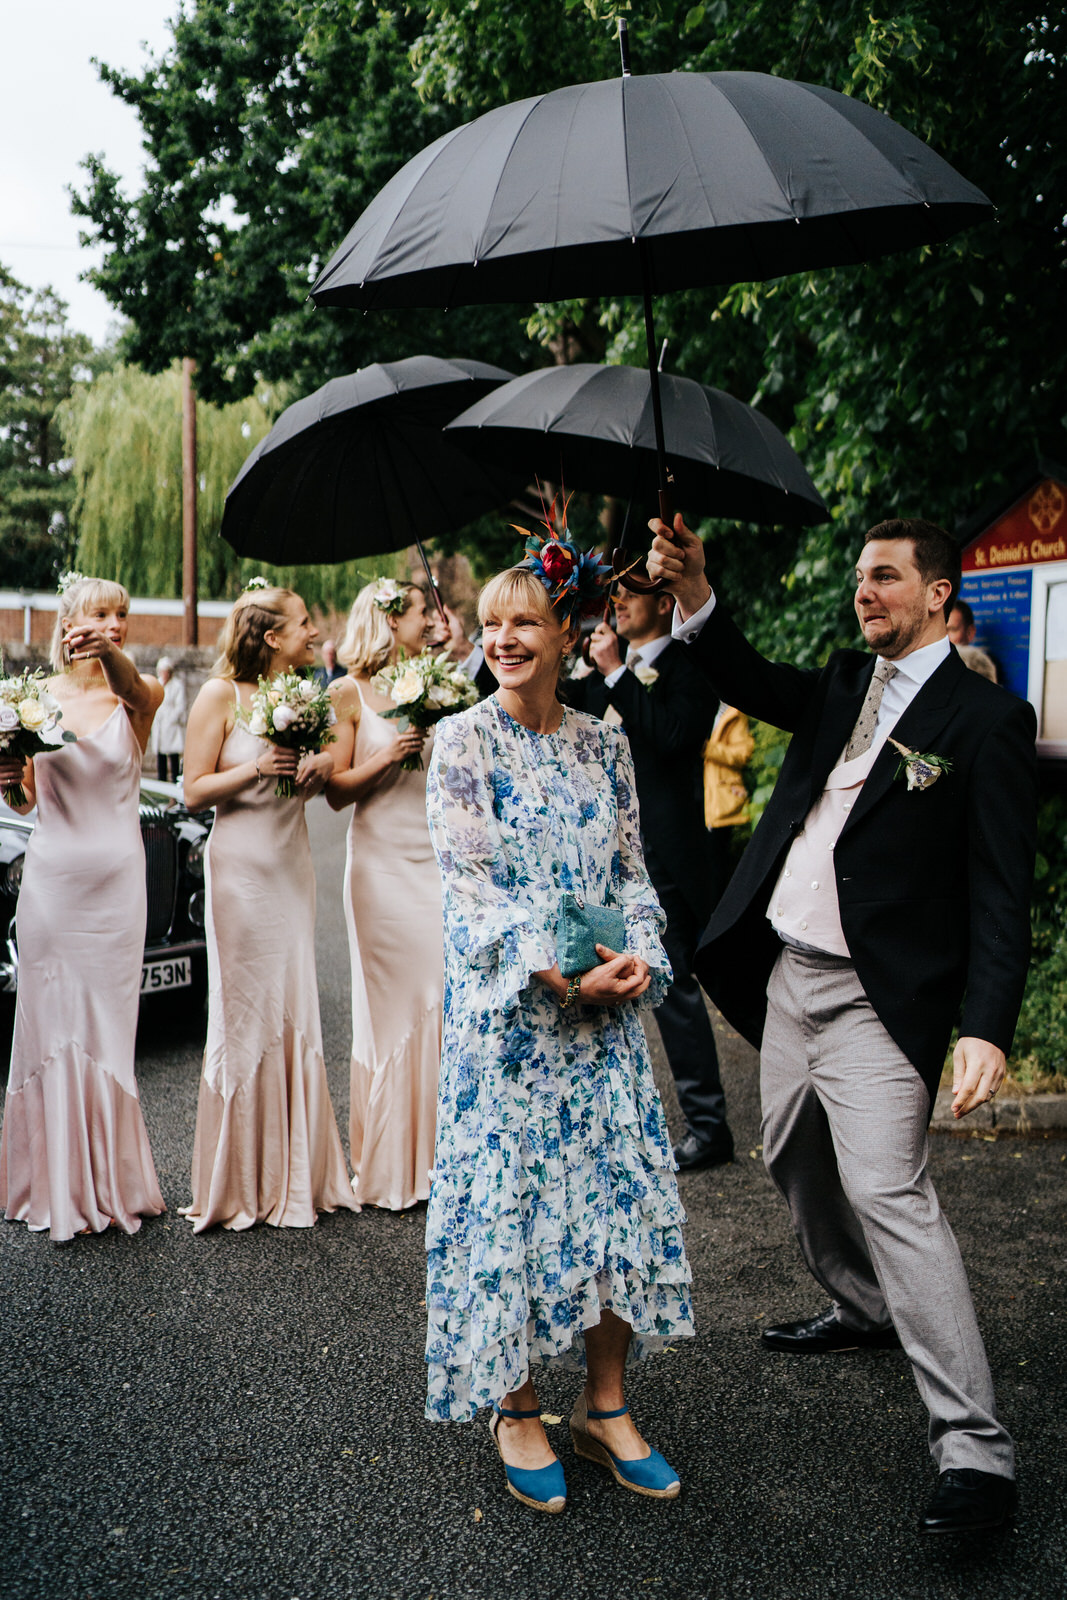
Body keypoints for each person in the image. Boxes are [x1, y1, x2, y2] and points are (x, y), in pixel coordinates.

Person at [648, 513, 1036, 1536]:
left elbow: (1001, 891)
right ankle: (861, 1305)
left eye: (884, 578)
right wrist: (691, 586)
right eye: (859, 578)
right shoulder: (834, 685)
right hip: (788, 975)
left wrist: (985, 1025)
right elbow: (739, 668)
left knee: (888, 1191)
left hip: (878, 996)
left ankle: (974, 1454)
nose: (863, 592)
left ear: (938, 595)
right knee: (787, 1154)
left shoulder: (982, 722)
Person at [424, 522, 692, 1515]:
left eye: (523, 620)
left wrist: (639, 961)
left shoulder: (603, 741)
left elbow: (629, 869)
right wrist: (556, 978)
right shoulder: (458, 742)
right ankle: (518, 1404)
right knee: (514, 1212)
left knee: (615, 1199)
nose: (503, 637)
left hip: (604, 1017)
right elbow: (473, 893)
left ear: (565, 629)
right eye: (491, 624)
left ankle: (604, 1406)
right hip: (510, 1028)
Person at [180, 583, 356, 1232]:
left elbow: (330, 761)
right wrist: (259, 767)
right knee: (245, 1010)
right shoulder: (219, 695)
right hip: (241, 872)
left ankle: (298, 1173)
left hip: (292, 864)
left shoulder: (307, 696)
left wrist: (318, 767)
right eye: (305, 623)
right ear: (272, 637)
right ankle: (241, 1179)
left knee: (294, 1002)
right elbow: (193, 790)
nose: (315, 632)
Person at [0, 576, 166, 1241]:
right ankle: (47, 1180)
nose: (114, 622)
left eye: (121, 613)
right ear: (67, 621)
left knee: (106, 1030)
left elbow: (130, 687)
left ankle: (110, 1181)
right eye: (100, 613)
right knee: (49, 1024)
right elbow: (26, 805)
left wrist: (108, 651)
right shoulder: (32, 703)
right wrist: (10, 781)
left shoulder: (138, 693)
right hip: (54, 886)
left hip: (117, 890)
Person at [568, 581, 735, 1170]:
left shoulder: (689, 666)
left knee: (677, 984)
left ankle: (709, 1125)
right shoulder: (605, 669)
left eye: (631, 594)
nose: (618, 603)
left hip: (670, 853)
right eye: (614, 596)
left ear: (665, 603)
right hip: (607, 854)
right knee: (619, 983)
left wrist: (617, 673)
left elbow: (669, 737)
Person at [325, 579, 441, 1211]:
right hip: (379, 866)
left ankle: (442, 1155)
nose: (427, 621)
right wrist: (390, 755)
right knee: (397, 1011)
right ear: (389, 620)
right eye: (421, 612)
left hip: (433, 862)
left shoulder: (430, 687)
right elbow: (337, 791)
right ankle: (397, 1165)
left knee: (441, 995)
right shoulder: (349, 692)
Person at [702, 704, 754, 832]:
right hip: (698, 792)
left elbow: (743, 755)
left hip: (722, 797)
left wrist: (707, 748)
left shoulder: (734, 713)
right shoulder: (700, 706)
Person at [153, 657, 187, 783]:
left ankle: (174, 780)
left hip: (171, 724)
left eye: (166, 671)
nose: (164, 674)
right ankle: (161, 780)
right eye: (162, 671)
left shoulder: (177, 686)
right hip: (160, 722)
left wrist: (171, 719)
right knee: (160, 754)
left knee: (173, 755)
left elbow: (180, 706)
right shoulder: (157, 683)